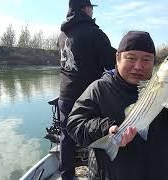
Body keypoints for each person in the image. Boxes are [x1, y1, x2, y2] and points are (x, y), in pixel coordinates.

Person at [67, 31, 168, 180]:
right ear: (117, 58)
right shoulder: (99, 88)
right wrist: (105, 130)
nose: (138, 66)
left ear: (154, 63)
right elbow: (74, 124)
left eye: (146, 59)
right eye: (131, 58)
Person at [57, 0, 116, 179]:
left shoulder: (62, 34)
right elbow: (112, 63)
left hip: (64, 95)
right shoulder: (95, 33)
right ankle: (95, 175)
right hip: (88, 97)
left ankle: (66, 176)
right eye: (91, 7)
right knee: (95, 134)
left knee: (66, 138)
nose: (92, 10)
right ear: (85, 9)